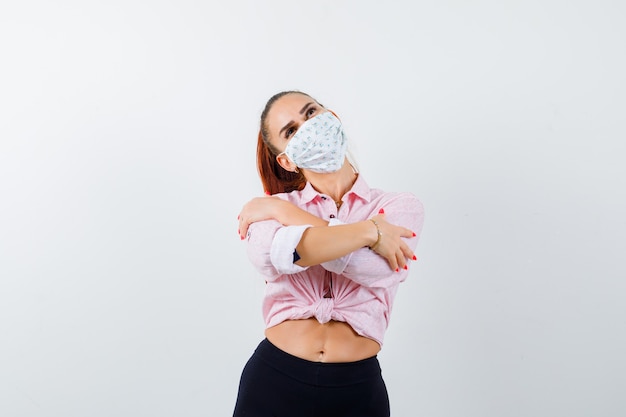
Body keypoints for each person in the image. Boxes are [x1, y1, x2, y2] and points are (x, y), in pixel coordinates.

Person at [233, 90, 425, 417]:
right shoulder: (270, 211)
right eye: (291, 131)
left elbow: (373, 267)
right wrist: (368, 231)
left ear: (332, 117)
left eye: (311, 112)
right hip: (273, 380)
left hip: (356, 390)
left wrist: (289, 218)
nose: (307, 127)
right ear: (285, 160)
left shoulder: (398, 207)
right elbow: (275, 254)